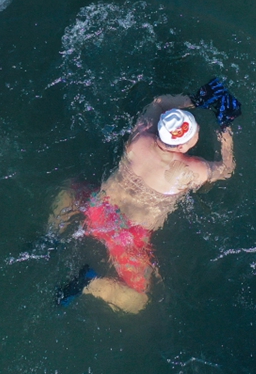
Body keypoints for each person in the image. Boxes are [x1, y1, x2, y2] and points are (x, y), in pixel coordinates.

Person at [52, 94, 236, 313]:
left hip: (99, 207)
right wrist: (226, 129)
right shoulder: (190, 170)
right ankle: (89, 283)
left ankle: (52, 235)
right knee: (140, 301)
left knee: (70, 187)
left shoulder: (141, 135)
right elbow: (226, 170)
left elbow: (158, 102)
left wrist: (196, 97)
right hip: (127, 236)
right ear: (182, 146)